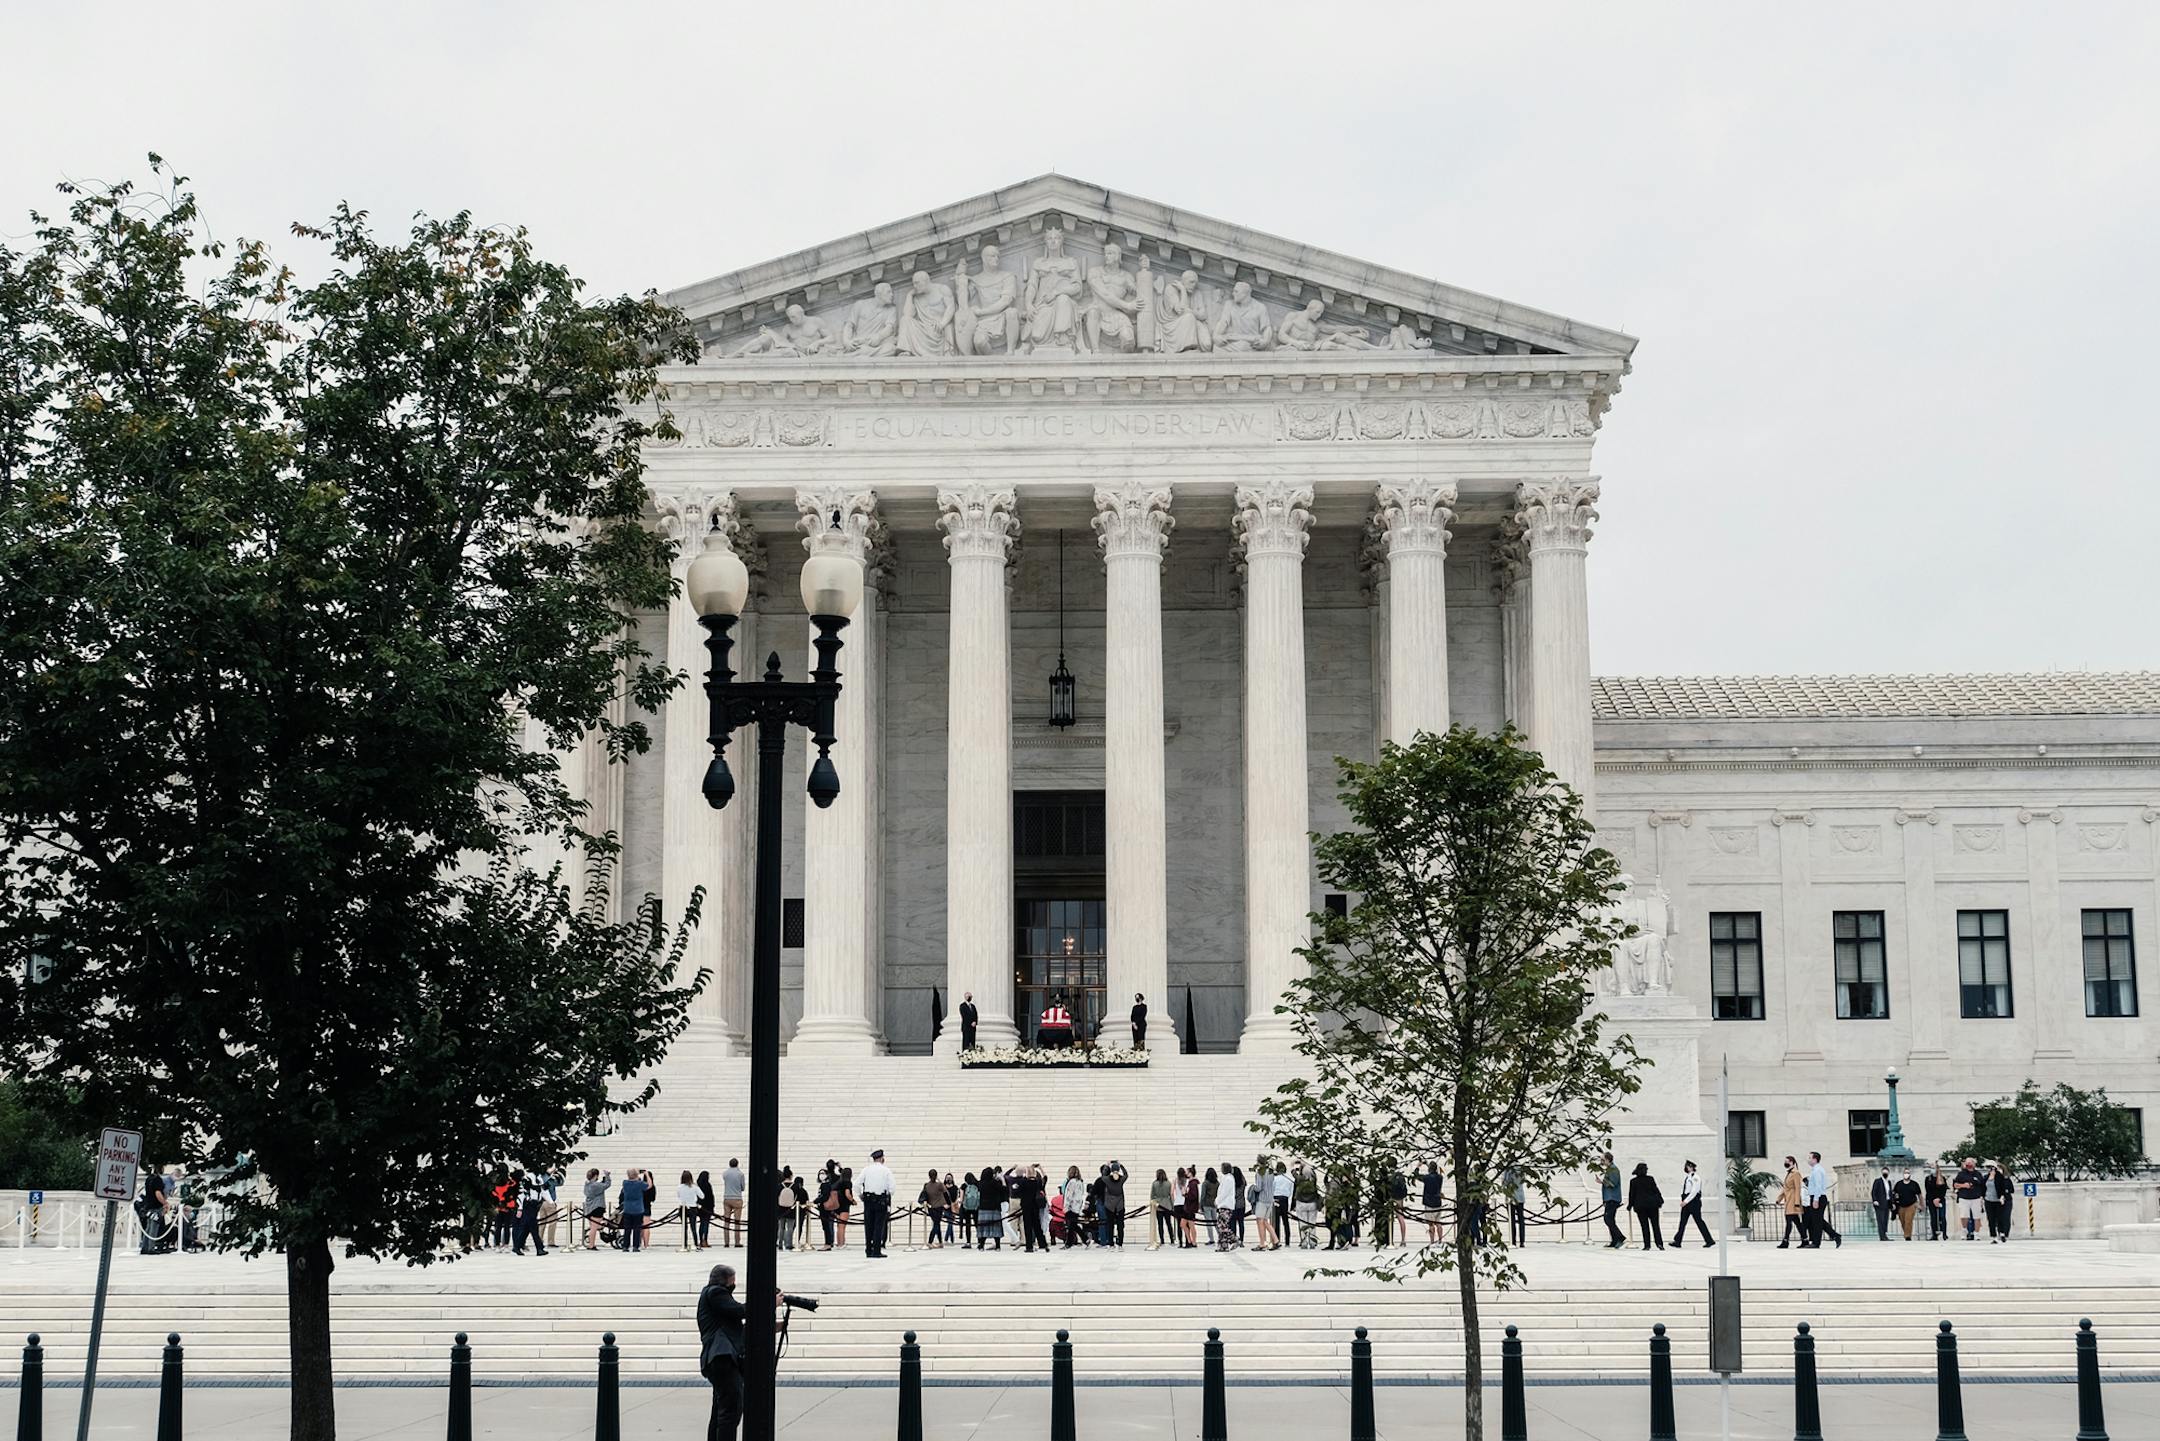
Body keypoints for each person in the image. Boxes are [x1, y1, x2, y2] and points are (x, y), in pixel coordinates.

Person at [696, 1263, 750, 1441]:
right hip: (722, 1358)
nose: (734, 1285)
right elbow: (739, 1311)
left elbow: (732, 1324)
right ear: (725, 1281)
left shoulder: (711, 1295)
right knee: (730, 1411)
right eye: (732, 1282)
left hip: (718, 1359)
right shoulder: (716, 1293)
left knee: (721, 1410)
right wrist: (767, 1302)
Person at [1805, 1152, 1842, 1249]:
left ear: (1815, 1159)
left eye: (1809, 1157)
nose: (1808, 1159)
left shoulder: (1817, 1170)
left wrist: (1816, 1199)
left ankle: (1816, 1243)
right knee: (1818, 1220)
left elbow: (1818, 1186)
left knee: (1817, 1222)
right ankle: (1835, 1235)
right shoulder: (1815, 1170)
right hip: (1817, 1196)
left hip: (1818, 1197)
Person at [861, 1149, 894, 1259]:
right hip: (880, 1200)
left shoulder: (866, 1170)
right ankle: (876, 1250)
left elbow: (856, 1184)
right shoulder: (886, 1170)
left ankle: (868, 1250)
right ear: (881, 1158)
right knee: (878, 1226)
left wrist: (861, 1195)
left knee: (868, 1225)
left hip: (868, 1200)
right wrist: (888, 1196)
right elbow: (892, 1188)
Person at [1627, 1163, 1665, 1251]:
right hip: (1652, 1205)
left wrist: (1630, 1205)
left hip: (1640, 1206)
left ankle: (1647, 1245)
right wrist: (1660, 1200)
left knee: (1644, 1226)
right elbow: (1656, 1190)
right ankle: (1659, 1243)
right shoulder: (1650, 1179)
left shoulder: (1633, 1181)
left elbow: (1632, 1195)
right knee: (1655, 1225)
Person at [513, 1169, 550, 1256]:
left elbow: (544, 1191)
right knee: (533, 1227)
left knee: (527, 1228)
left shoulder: (539, 1178)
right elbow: (521, 1194)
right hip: (528, 1205)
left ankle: (518, 1246)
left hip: (535, 1205)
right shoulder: (527, 1178)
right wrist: (520, 1208)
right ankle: (539, 1248)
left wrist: (551, 1201)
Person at [1675, 1161, 1712, 1247]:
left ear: (1691, 1167)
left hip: (1693, 1202)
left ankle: (1709, 1240)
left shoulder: (1696, 1177)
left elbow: (1694, 1191)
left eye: (1687, 1166)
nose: (1686, 1168)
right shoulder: (1688, 1177)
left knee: (1699, 1221)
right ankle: (1678, 1241)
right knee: (1682, 1222)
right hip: (1687, 1200)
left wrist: (1685, 1201)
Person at [1951, 1157, 1985, 1240]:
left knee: (1977, 1216)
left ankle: (1976, 1233)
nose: (1969, 1165)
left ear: (1974, 1164)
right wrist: (1964, 1185)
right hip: (1964, 1197)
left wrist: (1982, 1197)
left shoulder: (1978, 1174)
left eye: (1970, 1163)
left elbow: (1982, 1185)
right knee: (1964, 1215)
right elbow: (1955, 1185)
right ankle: (1964, 1231)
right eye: (1967, 1163)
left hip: (1976, 1197)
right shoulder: (1961, 1174)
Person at [1017, 1166, 1049, 1252]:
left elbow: (1018, 1192)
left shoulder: (1023, 1182)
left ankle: (1029, 1246)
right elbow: (1045, 1179)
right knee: (1037, 1226)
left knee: (1028, 1227)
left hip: (1026, 1207)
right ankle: (1043, 1244)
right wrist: (1041, 1168)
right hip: (1035, 1207)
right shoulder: (1038, 1182)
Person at [1777, 1157, 1805, 1248]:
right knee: (1796, 1222)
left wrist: (1797, 1202)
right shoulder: (1789, 1173)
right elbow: (1785, 1188)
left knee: (1789, 1221)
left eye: (1787, 1162)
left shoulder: (1795, 1173)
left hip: (1793, 1201)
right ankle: (1805, 1239)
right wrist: (1779, 1199)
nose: (1785, 1163)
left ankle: (1786, 1241)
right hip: (1788, 1200)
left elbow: (1798, 1188)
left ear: (1792, 1162)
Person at [975, 1164, 1005, 1250]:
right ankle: (998, 1246)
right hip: (994, 1208)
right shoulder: (994, 1183)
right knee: (996, 1228)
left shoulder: (980, 1183)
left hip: (983, 1208)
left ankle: (981, 1245)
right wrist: (1002, 1180)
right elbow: (1004, 1190)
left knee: (983, 1228)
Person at [1985, 1162, 2016, 1244]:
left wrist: (2003, 1194)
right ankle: (1994, 1236)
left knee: (2002, 1218)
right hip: (1990, 1200)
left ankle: (2003, 1233)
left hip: (2002, 1200)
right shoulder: (1987, 1177)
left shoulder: (2004, 1179)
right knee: (1991, 1219)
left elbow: (2010, 1189)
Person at [618, 1168, 648, 1252]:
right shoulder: (640, 1184)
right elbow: (649, 1185)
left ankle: (625, 1246)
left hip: (627, 1208)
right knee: (637, 1229)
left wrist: (635, 1174)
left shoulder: (625, 1183)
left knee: (627, 1229)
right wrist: (646, 1174)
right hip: (638, 1209)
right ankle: (635, 1246)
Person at [1600, 1153, 1625, 1249]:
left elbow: (1613, 1183)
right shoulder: (1610, 1169)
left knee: (1608, 1219)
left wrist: (1602, 1182)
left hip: (1613, 1198)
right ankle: (1614, 1240)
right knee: (1610, 1219)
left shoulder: (1614, 1169)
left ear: (1607, 1160)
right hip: (1609, 1198)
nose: (1602, 1162)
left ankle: (1620, 1237)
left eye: (1603, 1160)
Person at [582, 1168, 610, 1251]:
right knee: (594, 1228)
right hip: (597, 1207)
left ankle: (591, 1243)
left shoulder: (587, 1184)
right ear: (596, 1176)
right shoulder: (595, 1185)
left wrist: (604, 1179)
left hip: (589, 1207)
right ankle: (591, 1245)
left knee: (592, 1227)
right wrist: (607, 1176)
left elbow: (601, 1186)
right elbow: (606, 1185)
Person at [1102, 1162, 1128, 1248]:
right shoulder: (1121, 1179)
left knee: (1110, 1225)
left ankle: (1111, 1244)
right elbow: (1126, 1174)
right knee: (1120, 1225)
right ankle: (1120, 1244)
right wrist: (1121, 1166)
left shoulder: (1107, 1179)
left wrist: (1107, 1166)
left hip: (1109, 1205)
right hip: (1120, 1205)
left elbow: (1103, 1176)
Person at [722, 1158, 746, 1247]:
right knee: (737, 1221)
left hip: (727, 1198)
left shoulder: (725, 1173)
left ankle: (726, 1242)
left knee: (726, 1221)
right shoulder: (740, 1174)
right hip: (737, 1198)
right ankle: (737, 1242)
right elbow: (743, 1187)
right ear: (737, 1164)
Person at [1061, 1166, 1087, 1248]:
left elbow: (1069, 1195)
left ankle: (1069, 1243)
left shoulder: (1071, 1182)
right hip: (1077, 1206)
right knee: (1073, 1225)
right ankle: (1085, 1239)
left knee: (1071, 1226)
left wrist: (1066, 1206)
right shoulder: (1080, 1182)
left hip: (1071, 1207)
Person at [1893, 1170, 1921, 1240]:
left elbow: (1920, 1195)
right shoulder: (1898, 1184)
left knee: (1908, 1220)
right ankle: (1906, 1234)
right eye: (1905, 1173)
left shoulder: (1914, 1184)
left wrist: (1921, 1205)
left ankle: (1908, 1236)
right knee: (1903, 1221)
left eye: (1908, 1173)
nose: (1906, 1174)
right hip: (1901, 1206)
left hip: (1911, 1205)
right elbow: (1894, 1194)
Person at [1150, 1168, 1174, 1249]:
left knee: (1160, 1224)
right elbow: (1171, 1196)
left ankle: (1162, 1240)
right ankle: (1172, 1240)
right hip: (1167, 1205)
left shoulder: (1154, 1184)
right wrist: (1172, 1206)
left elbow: (1152, 1196)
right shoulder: (1168, 1183)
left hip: (1158, 1206)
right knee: (1169, 1224)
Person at [1271, 1163, 1294, 1251]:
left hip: (1276, 1199)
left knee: (1276, 1222)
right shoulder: (1290, 1179)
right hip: (1285, 1200)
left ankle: (1277, 1241)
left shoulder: (1275, 1179)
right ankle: (1287, 1241)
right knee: (1286, 1222)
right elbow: (1291, 1193)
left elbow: (1272, 1190)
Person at [1421, 1161, 1445, 1243]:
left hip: (1429, 1203)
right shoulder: (1440, 1178)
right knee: (1438, 1223)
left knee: (1431, 1224)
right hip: (1438, 1202)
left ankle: (1432, 1241)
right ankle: (1440, 1240)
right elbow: (1436, 1172)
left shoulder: (1426, 1178)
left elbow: (1416, 1175)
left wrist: (1419, 1166)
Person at [677, 1170, 701, 1251]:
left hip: (682, 1208)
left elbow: (679, 1196)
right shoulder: (694, 1187)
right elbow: (702, 1196)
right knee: (693, 1227)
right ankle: (696, 1244)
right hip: (692, 1208)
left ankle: (685, 1244)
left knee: (684, 1227)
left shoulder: (679, 1187)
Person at [1924, 1164, 1949, 1240]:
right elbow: (1928, 1190)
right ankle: (1934, 1234)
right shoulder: (1928, 1179)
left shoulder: (1942, 1178)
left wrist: (1938, 1199)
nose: (1932, 1169)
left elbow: (1943, 1190)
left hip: (1941, 1200)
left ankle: (1944, 1234)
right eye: (1931, 1168)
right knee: (1933, 1217)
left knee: (1942, 1216)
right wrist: (1932, 1200)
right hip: (1931, 1200)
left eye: (1934, 1168)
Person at [1506, 1167, 1529, 1247]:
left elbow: (1506, 1182)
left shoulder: (1508, 1169)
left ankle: (1513, 1240)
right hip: (1520, 1196)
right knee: (1521, 1220)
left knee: (1512, 1220)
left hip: (1511, 1196)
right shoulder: (1521, 1169)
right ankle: (1522, 1241)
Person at [696, 1169, 716, 1250]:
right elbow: (711, 1197)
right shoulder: (708, 1185)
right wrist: (713, 1207)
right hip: (708, 1208)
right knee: (706, 1224)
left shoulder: (698, 1186)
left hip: (700, 1208)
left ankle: (701, 1240)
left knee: (701, 1224)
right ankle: (705, 1240)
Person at [1870, 1168, 1892, 1243]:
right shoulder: (1878, 1181)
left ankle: (1884, 1235)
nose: (1885, 1173)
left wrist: (1892, 1203)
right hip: (1879, 1203)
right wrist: (1875, 1200)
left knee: (1885, 1220)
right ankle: (1882, 1236)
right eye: (1884, 1172)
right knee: (1881, 1220)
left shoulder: (1888, 1182)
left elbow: (1890, 1193)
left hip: (1887, 1203)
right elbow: (1873, 1191)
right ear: (1882, 1172)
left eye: (1886, 1172)